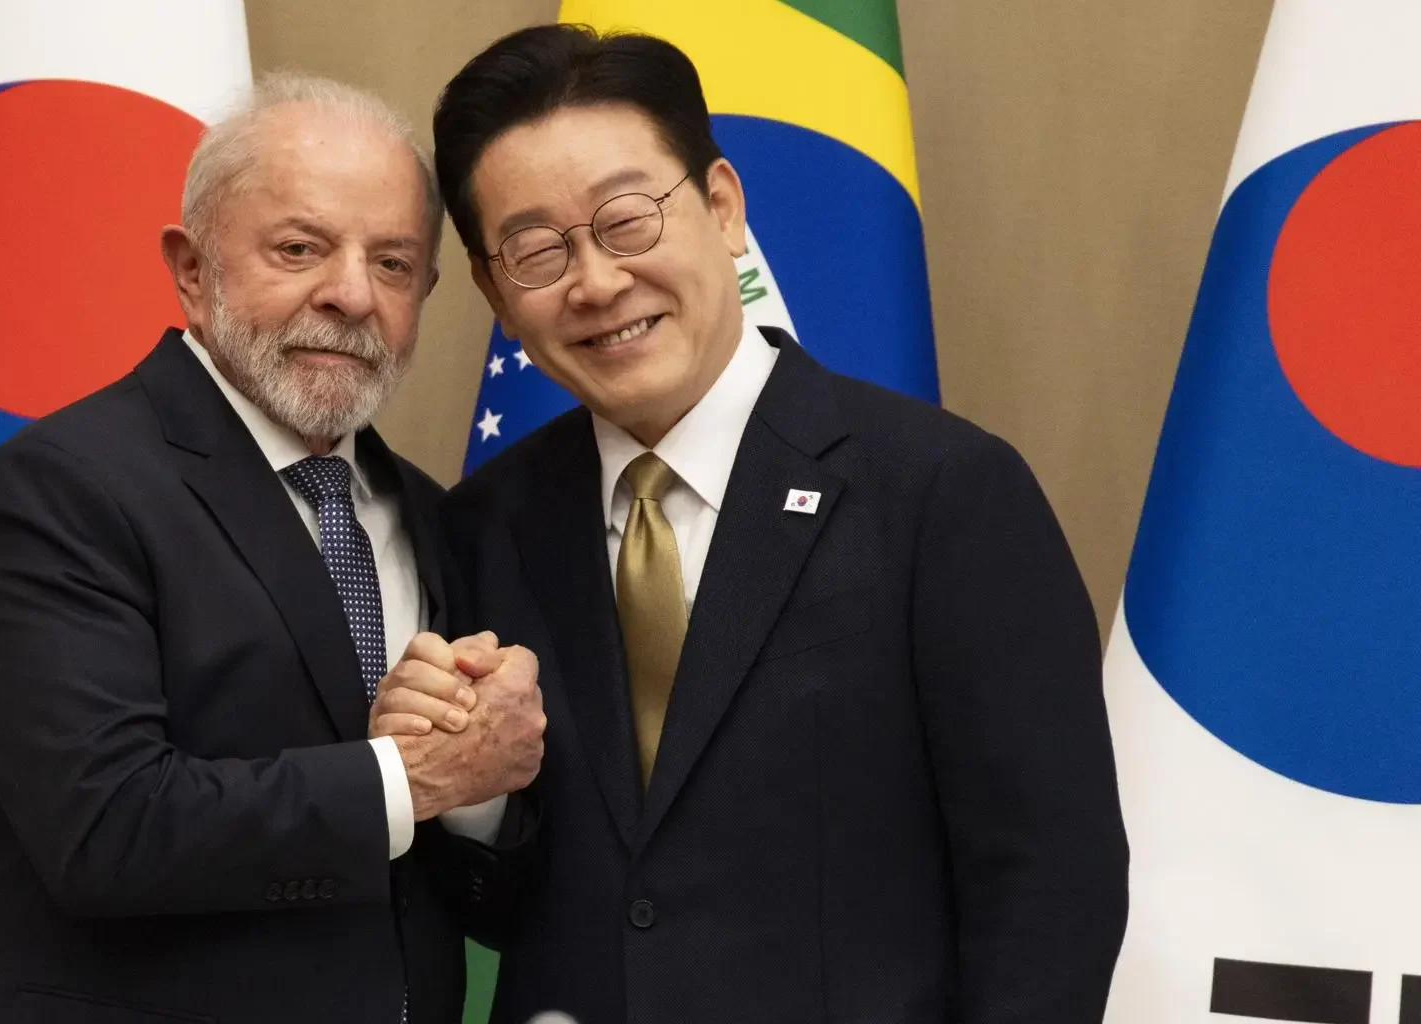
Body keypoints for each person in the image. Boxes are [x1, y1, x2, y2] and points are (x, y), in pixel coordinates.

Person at [413, 24, 1130, 1024]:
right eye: (538, 251)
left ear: (722, 207)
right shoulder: (484, 526)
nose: (597, 281)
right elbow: (502, 908)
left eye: (628, 220)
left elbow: (1053, 884)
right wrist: (477, 797)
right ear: (495, 290)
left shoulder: (943, 493)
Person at [0, 73, 544, 1024]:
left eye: (392, 263)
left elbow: (464, 883)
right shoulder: (61, 491)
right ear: (192, 269)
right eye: (300, 248)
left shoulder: (438, 518)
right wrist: (411, 777)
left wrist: (479, 785)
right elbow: (104, 829)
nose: (351, 295)